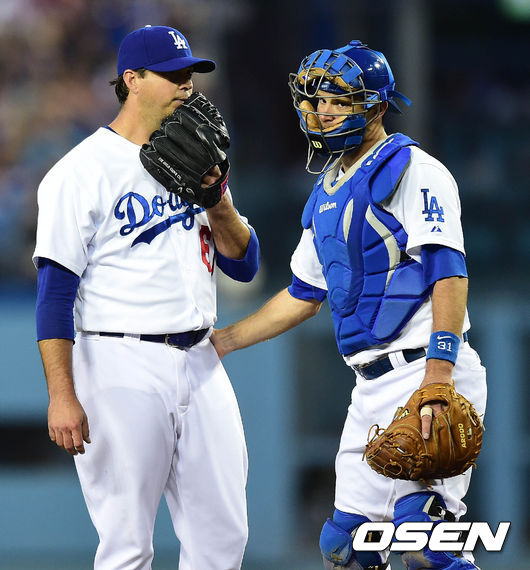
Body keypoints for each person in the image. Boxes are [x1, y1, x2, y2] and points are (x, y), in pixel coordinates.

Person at [211, 40, 487, 570]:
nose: (322, 111)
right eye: (316, 100)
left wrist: (439, 374)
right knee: (347, 548)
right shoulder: (326, 192)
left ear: (376, 106)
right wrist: (223, 340)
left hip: (426, 370)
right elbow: (303, 295)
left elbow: (449, 272)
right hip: (370, 388)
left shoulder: (412, 168)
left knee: (426, 544)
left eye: (338, 100)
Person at [33, 25, 259, 570]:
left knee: (224, 538)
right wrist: (62, 394)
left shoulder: (198, 158)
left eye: (191, 75)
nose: (187, 85)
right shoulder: (79, 171)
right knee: (127, 543)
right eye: (173, 75)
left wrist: (217, 197)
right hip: (119, 359)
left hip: (201, 357)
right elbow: (55, 294)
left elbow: (244, 263)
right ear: (131, 80)